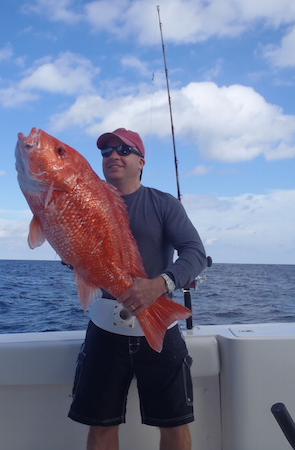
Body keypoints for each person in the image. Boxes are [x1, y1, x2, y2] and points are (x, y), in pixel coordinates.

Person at [68, 128, 207, 450]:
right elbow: (75, 254)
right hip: (104, 328)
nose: (113, 156)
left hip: (159, 324)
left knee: (174, 426)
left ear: (141, 161)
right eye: (105, 152)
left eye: (124, 150)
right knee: (100, 427)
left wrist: (161, 284)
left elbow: (195, 253)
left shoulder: (163, 203)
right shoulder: (83, 205)